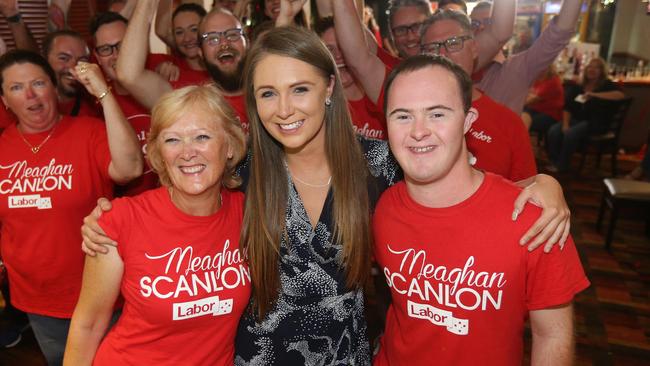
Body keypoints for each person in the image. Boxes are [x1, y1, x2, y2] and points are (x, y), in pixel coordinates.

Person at [373, 53, 590, 366]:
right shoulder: (386, 208)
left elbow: (552, 336)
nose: (418, 131)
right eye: (402, 116)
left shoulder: (536, 220)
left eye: (437, 114)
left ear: (468, 121)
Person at [63, 84, 249, 365]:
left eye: (202, 136)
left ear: (231, 147)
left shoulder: (249, 214)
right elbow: (87, 325)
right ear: (159, 154)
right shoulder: (121, 220)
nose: (187, 153)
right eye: (172, 140)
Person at [0, 50, 142, 365]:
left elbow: (130, 167)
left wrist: (104, 95)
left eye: (38, 83)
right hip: (37, 298)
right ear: (5, 101)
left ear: (53, 87)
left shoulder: (88, 132)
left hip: (102, 294)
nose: (31, 95)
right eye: (16, 88)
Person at [117, 1, 249, 131]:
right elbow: (129, 75)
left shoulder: (265, 87)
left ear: (247, 42)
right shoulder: (191, 101)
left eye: (233, 35)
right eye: (212, 38)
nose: (224, 43)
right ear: (201, 52)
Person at [470, 0, 584, 115]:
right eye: (474, 23)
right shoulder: (458, 66)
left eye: (489, 22)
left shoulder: (519, 68)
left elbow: (557, 36)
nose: (481, 28)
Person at [90, 11, 160, 196]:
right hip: (125, 214)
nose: (116, 55)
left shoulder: (161, 87)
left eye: (122, 45)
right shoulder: (93, 108)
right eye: (106, 49)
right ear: (97, 57)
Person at [546, 57, 625, 173]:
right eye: (590, 67)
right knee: (554, 131)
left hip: (595, 123)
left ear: (602, 71)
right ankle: (554, 161)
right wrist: (565, 124)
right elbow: (568, 107)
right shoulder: (578, 87)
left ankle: (562, 165)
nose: (592, 69)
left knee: (571, 134)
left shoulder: (607, 85)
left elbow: (620, 95)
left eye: (596, 67)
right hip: (576, 119)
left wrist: (594, 95)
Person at [315, 17, 387, 140]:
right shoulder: (318, 105)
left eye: (344, 47)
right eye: (330, 49)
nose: (338, 56)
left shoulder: (384, 92)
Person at [154, 1, 211, 86]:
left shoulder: (224, 66)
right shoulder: (166, 65)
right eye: (179, 32)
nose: (187, 38)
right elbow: (162, 31)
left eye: (194, 29)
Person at [523, 65, 564, 134]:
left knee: (520, 120)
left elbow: (531, 100)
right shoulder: (539, 79)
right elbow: (527, 93)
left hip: (551, 114)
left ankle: (519, 141)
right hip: (536, 109)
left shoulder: (552, 82)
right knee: (519, 116)